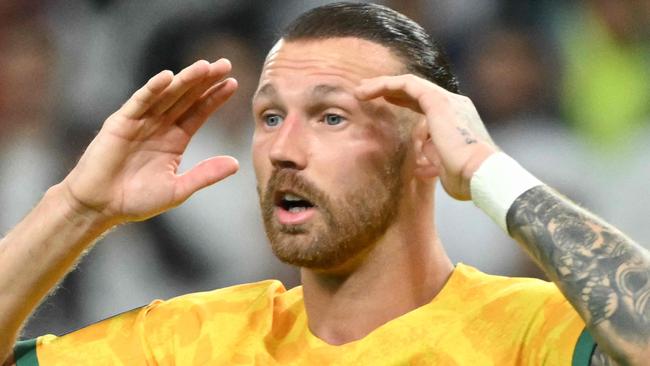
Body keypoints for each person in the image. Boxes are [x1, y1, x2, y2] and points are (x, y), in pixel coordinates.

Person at [1, 3, 648, 365]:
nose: (283, 149)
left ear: (428, 145)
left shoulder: (529, 333)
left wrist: (486, 168)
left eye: (331, 116)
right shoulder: (191, 342)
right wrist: (75, 208)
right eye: (270, 116)